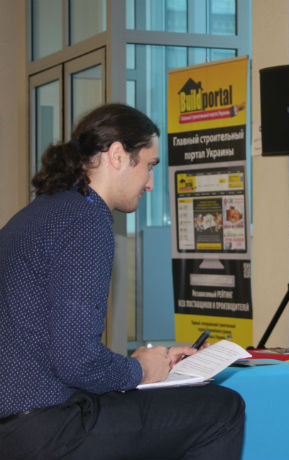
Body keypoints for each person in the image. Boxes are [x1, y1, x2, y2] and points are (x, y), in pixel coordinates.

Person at [0, 103, 245, 460]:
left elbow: (58, 348)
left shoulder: (39, 212)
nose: (150, 183)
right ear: (117, 155)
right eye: (149, 165)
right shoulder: (87, 221)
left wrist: (145, 365)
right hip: (48, 428)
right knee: (222, 408)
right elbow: (76, 362)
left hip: (17, 423)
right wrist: (140, 370)